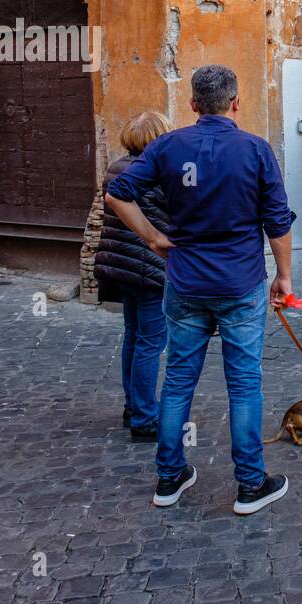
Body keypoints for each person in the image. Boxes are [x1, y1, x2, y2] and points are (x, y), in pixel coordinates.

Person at [105, 64, 292, 516]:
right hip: (240, 281)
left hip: (185, 280)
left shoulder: (168, 146)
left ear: (192, 104)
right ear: (236, 102)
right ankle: (250, 483)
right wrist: (284, 276)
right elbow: (278, 221)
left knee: (177, 382)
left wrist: (153, 238)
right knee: (245, 385)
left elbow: (117, 192)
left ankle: (169, 477)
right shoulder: (255, 149)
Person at [94, 111, 174, 442]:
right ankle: (144, 417)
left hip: (119, 264)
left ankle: (132, 405)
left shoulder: (116, 167)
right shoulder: (157, 175)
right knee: (151, 342)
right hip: (149, 266)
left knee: (133, 335)